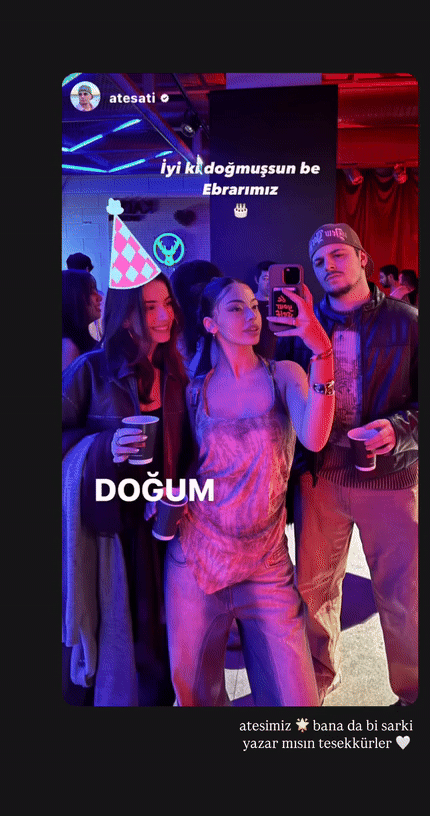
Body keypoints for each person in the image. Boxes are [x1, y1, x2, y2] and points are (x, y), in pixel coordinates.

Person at [164, 276, 335, 706]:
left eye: (253, 307)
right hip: (196, 558)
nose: (251, 316)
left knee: (296, 702)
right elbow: (179, 465)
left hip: (266, 561)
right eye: (235, 308)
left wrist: (322, 351)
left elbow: (314, 437)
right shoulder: (194, 390)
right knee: (195, 696)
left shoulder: (284, 374)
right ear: (210, 324)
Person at [276, 224, 418, 706]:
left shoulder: (407, 322)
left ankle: (413, 691)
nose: (328, 265)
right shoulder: (301, 328)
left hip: (392, 476)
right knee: (313, 590)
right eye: (319, 261)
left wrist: (397, 430)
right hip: (320, 478)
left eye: (338, 254)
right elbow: (285, 402)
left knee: (403, 593)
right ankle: (318, 679)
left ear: (363, 259)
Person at [62, 271, 192, 706]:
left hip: (165, 528)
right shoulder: (91, 370)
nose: (164, 316)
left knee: (162, 638)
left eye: (167, 304)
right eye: (149, 307)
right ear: (124, 315)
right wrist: (104, 446)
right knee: (116, 637)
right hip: (110, 534)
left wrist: (177, 491)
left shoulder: (176, 372)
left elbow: (189, 450)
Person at [62, 269, 102, 370]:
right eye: (90, 292)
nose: (99, 297)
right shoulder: (68, 348)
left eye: (95, 290)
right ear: (72, 297)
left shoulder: (79, 343)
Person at [252, 259, 277, 359]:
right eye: (266, 278)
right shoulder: (248, 304)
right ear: (257, 280)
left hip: (277, 361)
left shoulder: (283, 304)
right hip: (253, 360)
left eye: (273, 279)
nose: (270, 283)